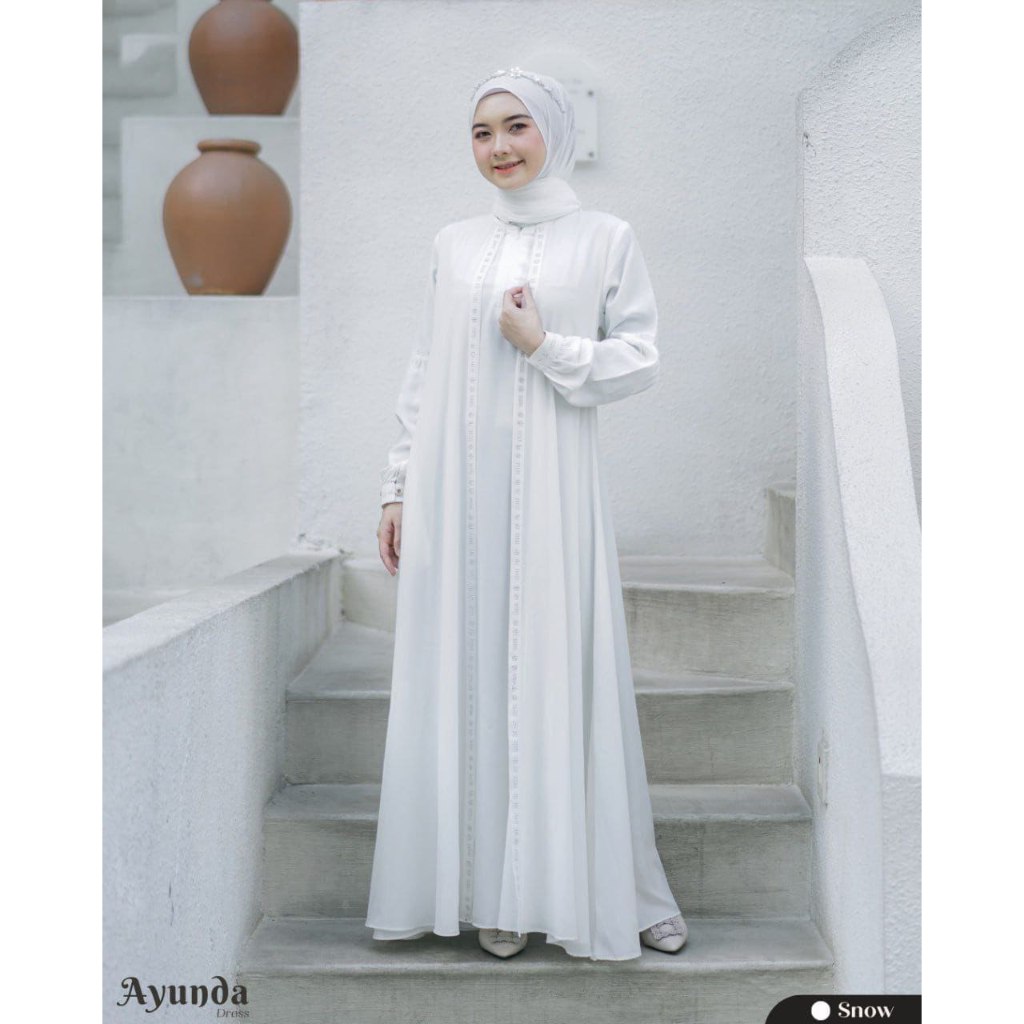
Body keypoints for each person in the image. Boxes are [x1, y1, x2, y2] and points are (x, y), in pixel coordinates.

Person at [366, 67, 688, 962]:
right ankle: (494, 893)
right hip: (454, 497)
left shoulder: (605, 238)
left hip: (552, 495)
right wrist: (397, 486)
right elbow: (424, 369)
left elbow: (641, 357)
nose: (499, 147)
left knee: (557, 672)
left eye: (516, 127)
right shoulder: (455, 243)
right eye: (482, 132)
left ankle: (616, 887)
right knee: (471, 677)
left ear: (553, 131)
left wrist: (544, 345)